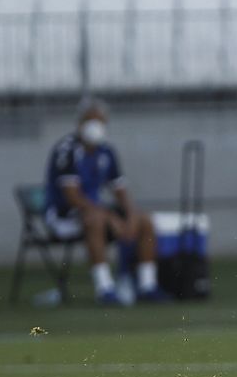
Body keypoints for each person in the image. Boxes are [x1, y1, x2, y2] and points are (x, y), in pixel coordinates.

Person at [44, 99, 164, 304]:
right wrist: (110, 218)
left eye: (99, 121)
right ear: (80, 122)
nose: (95, 126)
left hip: (97, 211)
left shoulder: (106, 151)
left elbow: (120, 189)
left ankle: (147, 285)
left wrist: (130, 215)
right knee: (95, 220)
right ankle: (105, 289)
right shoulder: (66, 150)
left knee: (145, 222)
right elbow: (73, 197)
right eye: (90, 120)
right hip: (64, 215)